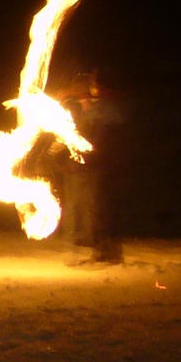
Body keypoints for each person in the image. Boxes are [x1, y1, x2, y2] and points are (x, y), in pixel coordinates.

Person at [63, 71, 124, 265]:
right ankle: (98, 249)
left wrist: (90, 156)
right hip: (87, 166)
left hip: (100, 166)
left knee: (98, 208)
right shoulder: (87, 111)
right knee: (88, 207)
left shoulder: (105, 111)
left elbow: (102, 139)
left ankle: (107, 252)